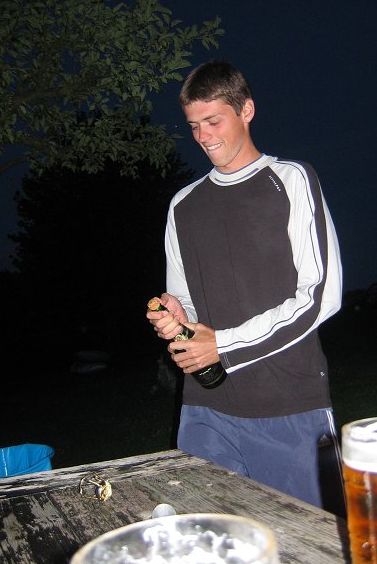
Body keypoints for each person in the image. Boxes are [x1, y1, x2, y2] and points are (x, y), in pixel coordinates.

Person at [146, 60, 344, 512]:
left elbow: (320, 296)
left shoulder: (291, 179)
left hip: (288, 406)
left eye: (213, 121)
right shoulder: (183, 205)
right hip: (205, 409)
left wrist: (223, 345)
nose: (203, 136)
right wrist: (178, 318)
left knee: (308, 542)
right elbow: (187, 300)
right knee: (207, 538)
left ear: (246, 110)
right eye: (193, 126)